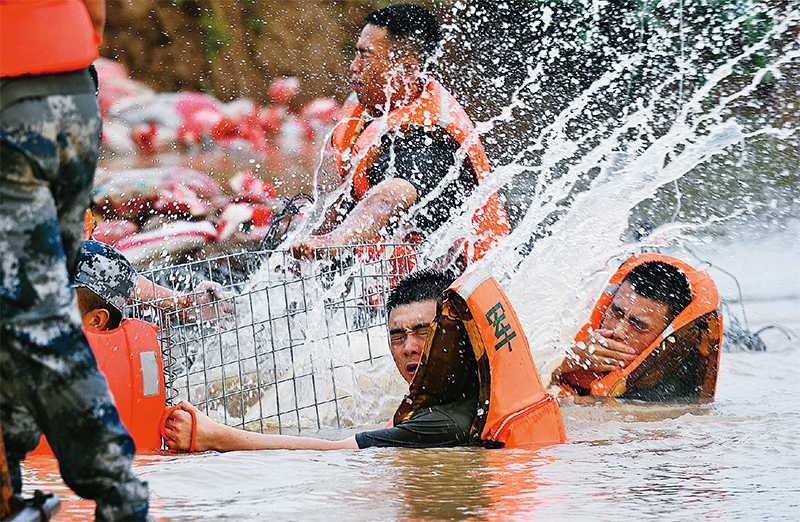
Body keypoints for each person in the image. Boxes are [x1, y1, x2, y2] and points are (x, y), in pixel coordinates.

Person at [0, 1, 149, 520]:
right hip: (73, 93)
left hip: (11, 100)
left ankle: (117, 493)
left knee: (36, 314)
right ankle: (10, 486)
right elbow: (97, 14)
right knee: (35, 303)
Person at [162, 268, 565, 451]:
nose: (408, 347)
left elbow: (332, 454)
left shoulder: (442, 422)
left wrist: (213, 436)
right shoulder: (482, 390)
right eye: (397, 335)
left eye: (424, 332)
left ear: (453, 333)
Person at [290, 4, 509, 266]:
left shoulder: (430, 137)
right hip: (392, 272)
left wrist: (335, 241)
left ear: (407, 69)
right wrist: (305, 248)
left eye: (366, 56)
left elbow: (390, 196)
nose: (353, 66)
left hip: (461, 288)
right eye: (356, 54)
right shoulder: (372, 105)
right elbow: (344, 198)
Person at [551, 254, 723, 400]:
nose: (618, 331)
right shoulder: (568, 328)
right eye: (616, 312)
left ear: (665, 337)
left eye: (638, 325)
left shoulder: (675, 403)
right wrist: (574, 358)